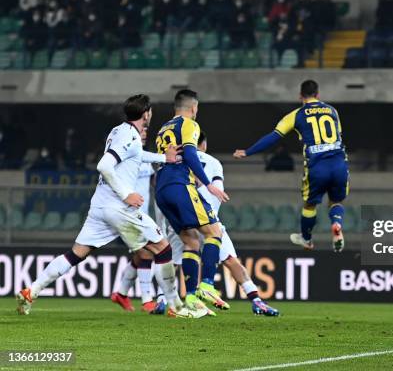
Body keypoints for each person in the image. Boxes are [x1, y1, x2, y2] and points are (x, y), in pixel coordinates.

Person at [16, 94, 207, 318]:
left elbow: (135, 155)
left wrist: (164, 158)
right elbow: (104, 165)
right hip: (119, 206)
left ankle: (32, 290)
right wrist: (126, 194)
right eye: (150, 112)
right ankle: (176, 307)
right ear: (146, 114)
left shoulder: (120, 131)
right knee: (163, 249)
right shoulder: (128, 135)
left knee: (76, 254)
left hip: (100, 204)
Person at [154, 132, 280, 316]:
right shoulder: (212, 162)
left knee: (174, 261)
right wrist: (209, 217)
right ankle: (256, 300)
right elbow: (218, 192)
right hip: (206, 216)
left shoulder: (172, 161)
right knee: (230, 260)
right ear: (203, 144)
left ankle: (163, 299)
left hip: (181, 216)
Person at [234, 80, 348, 252]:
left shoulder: (296, 115)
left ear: (300, 96)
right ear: (318, 95)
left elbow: (273, 137)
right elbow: (338, 136)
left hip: (317, 166)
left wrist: (248, 152)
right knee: (336, 201)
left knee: (310, 205)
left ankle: (307, 240)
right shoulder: (333, 111)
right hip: (339, 163)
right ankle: (337, 225)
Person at [155, 89, 230, 313]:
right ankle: (207, 284)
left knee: (191, 242)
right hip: (180, 185)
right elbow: (190, 153)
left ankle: (190, 298)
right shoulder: (189, 124)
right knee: (214, 231)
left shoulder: (163, 129)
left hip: (161, 189)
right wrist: (208, 184)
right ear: (194, 107)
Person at [111, 127, 161, 313]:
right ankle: (147, 300)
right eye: (141, 129)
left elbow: (152, 182)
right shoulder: (123, 157)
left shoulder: (145, 157)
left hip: (142, 215)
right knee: (147, 254)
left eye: (146, 130)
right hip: (126, 214)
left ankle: (121, 294)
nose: (144, 132)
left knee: (140, 255)